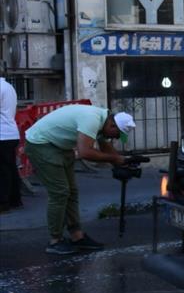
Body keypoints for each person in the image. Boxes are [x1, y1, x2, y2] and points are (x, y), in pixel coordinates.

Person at [22, 104, 136, 254]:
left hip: (59, 146)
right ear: (112, 125)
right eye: (115, 135)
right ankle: (55, 240)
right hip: (41, 144)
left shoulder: (104, 121)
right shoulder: (92, 120)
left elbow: (105, 146)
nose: (113, 138)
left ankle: (77, 236)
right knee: (60, 192)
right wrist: (116, 159)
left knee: (72, 191)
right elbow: (85, 152)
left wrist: (121, 163)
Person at [0, 75, 20, 213]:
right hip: (11, 132)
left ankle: (3, 202)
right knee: (10, 168)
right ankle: (15, 199)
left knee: (3, 171)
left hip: (2, 134)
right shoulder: (9, 87)